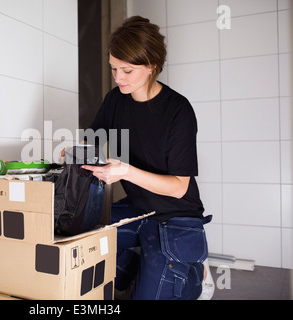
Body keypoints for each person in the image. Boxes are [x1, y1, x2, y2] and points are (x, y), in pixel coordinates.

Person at [80, 16, 214, 300]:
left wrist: (126, 172)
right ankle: (138, 266)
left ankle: (192, 270)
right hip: (138, 207)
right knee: (79, 237)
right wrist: (75, 151)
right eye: (114, 69)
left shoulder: (179, 111)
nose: (118, 78)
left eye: (127, 70)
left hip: (177, 216)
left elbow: (179, 187)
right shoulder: (115, 99)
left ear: (151, 65)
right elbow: (91, 139)